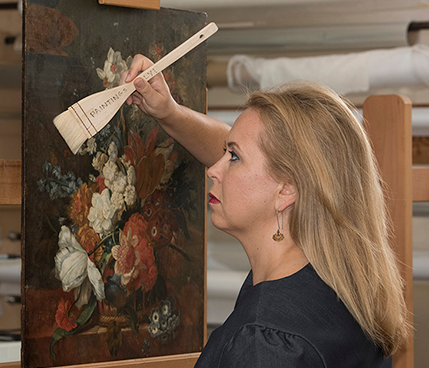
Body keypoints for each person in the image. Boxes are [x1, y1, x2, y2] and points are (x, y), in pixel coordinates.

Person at [121, 54, 410, 367]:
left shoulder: (265, 344)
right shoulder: (343, 286)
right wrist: (170, 113)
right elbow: (265, 157)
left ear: (287, 189)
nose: (212, 170)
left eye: (232, 157)